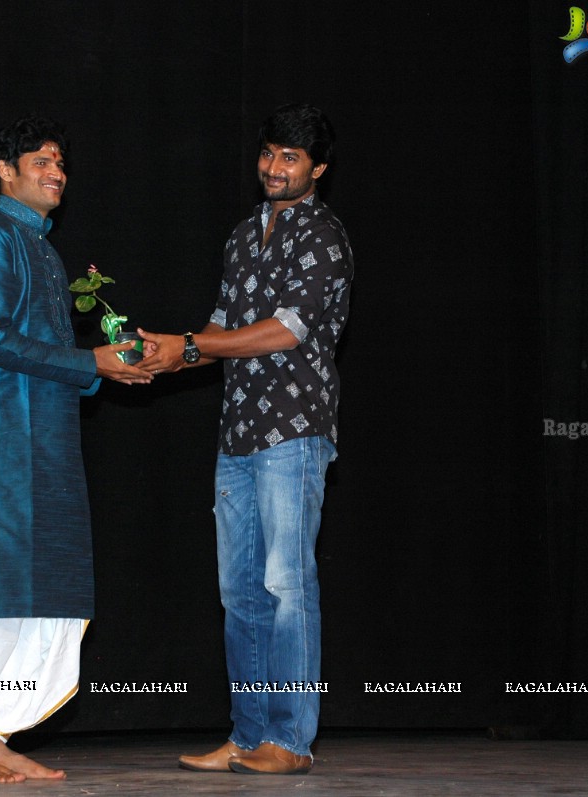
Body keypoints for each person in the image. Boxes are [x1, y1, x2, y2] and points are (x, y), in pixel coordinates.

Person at [0, 113, 150, 784]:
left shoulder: (46, 253)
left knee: (36, 590)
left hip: (43, 442)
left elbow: (57, 358)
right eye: (42, 160)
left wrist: (109, 367)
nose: (57, 171)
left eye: (62, 162)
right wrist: (94, 362)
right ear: (5, 170)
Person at [138, 103, 353, 775]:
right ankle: (249, 732)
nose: (274, 166)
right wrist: (163, 356)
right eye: (268, 153)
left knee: (287, 584)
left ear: (317, 168)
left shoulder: (324, 236)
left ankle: (290, 741)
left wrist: (192, 345)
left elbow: (286, 330)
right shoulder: (240, 236)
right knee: (240, 592)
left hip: (292, 431)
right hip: (236, 434)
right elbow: (222, 325)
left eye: (290, 157)